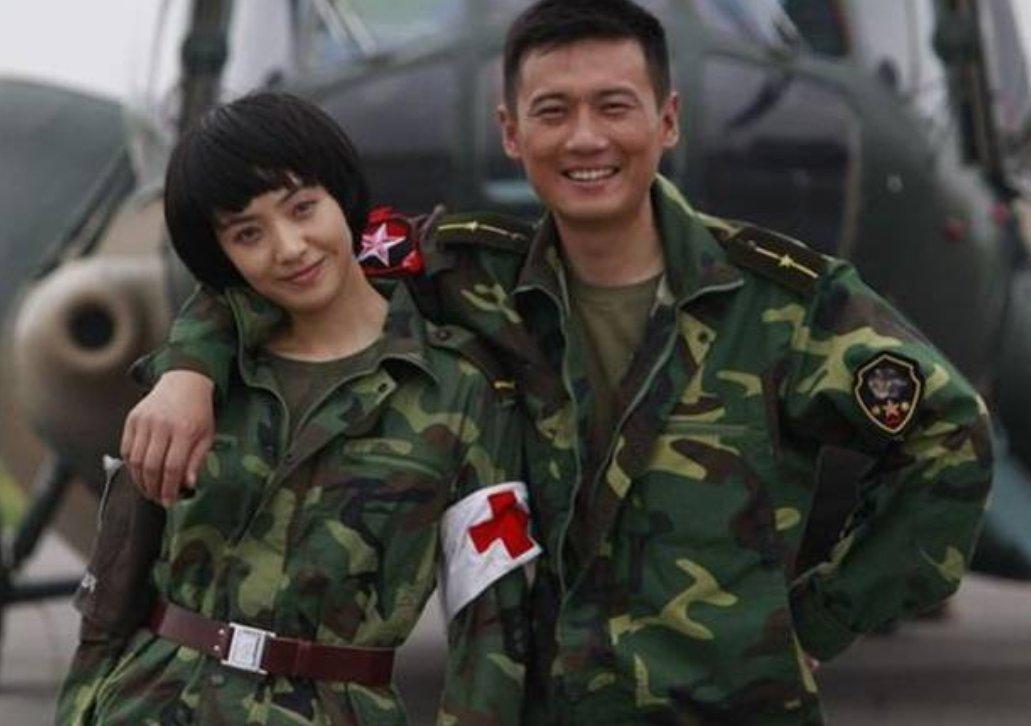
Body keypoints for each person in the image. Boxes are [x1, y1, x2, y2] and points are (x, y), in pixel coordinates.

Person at [121, 1, 994, 723]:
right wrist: (187, 371)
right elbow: (296, 265)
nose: (584, 139)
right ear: (510, 133)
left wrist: (816, 620)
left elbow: (949, 435)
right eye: (552, 112)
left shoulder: (779, 300)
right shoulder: (465, 271)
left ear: (666, 120)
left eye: (613, 107)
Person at [57, 92, 538, 725]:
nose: (288, 247)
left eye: (302, 208)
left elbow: (492, 624)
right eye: (247, 233)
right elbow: (111, 593)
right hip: (154, 702)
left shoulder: (458, 389)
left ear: (342, 198)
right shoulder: (196, 379)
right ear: (222, 254)